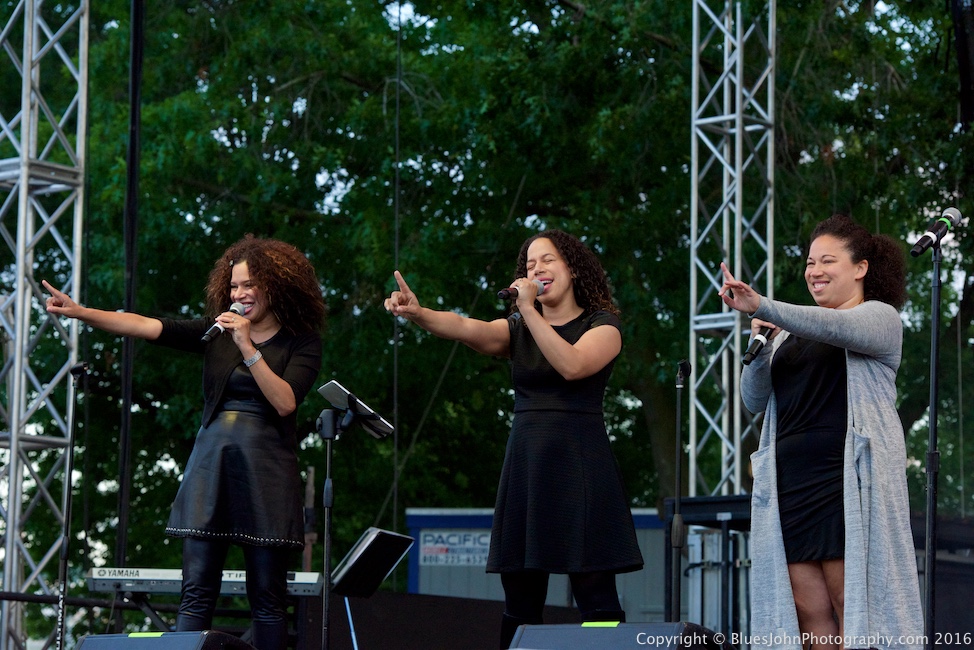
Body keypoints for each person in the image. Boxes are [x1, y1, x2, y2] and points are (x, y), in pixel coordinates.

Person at [43, 235, 325, 650]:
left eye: (249, 285)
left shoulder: (301, 341)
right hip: (211, 464)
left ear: (276, 285)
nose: (239, 294)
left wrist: (247, 345)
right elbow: (145, 325)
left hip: (266, 470)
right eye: (234, 286)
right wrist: (81, 312)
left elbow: (285, 402)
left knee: (268, 599)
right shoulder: (215, 332)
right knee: (196, 592)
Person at [384, 229, 643, 649]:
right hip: (528, 465)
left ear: (574, 269)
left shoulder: (602, 325)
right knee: (521, 599)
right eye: (529, 265)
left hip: (580, 464)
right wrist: (418, 313)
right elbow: (466, 327)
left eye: (547, 260)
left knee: (596, 598)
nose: (536, 269)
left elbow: (573, 365)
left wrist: (527, 309)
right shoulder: (518, 328)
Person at [719, 214, 923, 649]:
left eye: (827, 261)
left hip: (846, 482)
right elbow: (755, 399)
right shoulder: (787, 334)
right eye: (810, 262)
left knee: (851, 602)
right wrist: (759, 350)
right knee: (807, 613)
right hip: (792, 487)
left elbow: (833, 327)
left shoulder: (879, 318)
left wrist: (764, 305)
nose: (814, 271)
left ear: (861, 267)